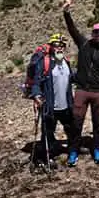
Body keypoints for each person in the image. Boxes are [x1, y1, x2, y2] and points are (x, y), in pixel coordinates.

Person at [62, 0, 99, 165]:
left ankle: (97, 149)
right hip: (82, 90)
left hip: (98, 92)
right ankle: (73, 151)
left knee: (98, 123)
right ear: (92, 33)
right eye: (96, 32)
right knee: (77, 122)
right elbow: (72, 29)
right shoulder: (84, 44)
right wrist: (67, 11)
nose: (98, 34)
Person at [30, 32, 76, 165]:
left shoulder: (66, 62)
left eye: (62, 45)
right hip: (50, 107)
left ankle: (73, 150)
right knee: (48, 132)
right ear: (51, 46)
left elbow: (71, 78)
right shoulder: (44, 62)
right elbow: (36, 82)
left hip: (66, 105)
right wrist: (37, 96)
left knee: (71, 129)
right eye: (56, 45)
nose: (60, 48)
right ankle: (47, 156)